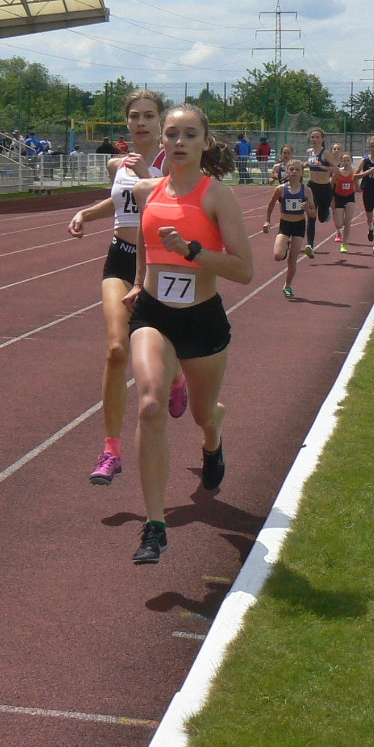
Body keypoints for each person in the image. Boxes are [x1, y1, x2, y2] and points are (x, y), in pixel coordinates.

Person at [127, 103, 254, 564]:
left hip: (203, 320)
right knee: (149, 403)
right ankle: (155, 525)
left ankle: (213, 435)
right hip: (154, 314)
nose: (179, 142)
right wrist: (141, 281)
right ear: (161, 141)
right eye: (172, 134)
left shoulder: (217, 195)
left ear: (205, 142)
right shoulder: (147, 191)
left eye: (190, 134)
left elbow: (245, 270)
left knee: (201, 412)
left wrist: (196, 250)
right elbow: (142, 241)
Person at [67, 90, 187, 487]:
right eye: (134, 116)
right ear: (126, 122)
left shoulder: (173, 163)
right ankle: (111, 451)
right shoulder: (117, 163)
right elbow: (119, 204)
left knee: (161, 349)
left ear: (160, 122)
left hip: (158, 264)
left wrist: (147, 179)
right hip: (119, 258)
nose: (140, 123)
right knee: (117, 349)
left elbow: (179, 203)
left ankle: (176, 380)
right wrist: (86, 212)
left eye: (149, 116)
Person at [262, 157, 316, 299]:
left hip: (299, 225)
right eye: (291, 169)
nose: (294, 172)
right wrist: (267, 221)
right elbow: (271, 204)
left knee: (292, 260)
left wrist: (307, 209)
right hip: (285, 225)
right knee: (278, 256)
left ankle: (287, 285)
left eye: (297, 170)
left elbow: (313, 213)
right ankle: (286, 247)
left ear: (302, 173)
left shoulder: (306, 191)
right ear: (287, 171)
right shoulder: (281, 189)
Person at [302, 128, 334, 257]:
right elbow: (307, 164)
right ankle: (310, 245)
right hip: (311, 187)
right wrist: (303, 165)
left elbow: (336, 169)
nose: (314, 139)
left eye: (317, 137)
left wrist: (323, 167)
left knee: (321, 217)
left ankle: (327, 213)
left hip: (325, 188)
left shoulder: (325, 153)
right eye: (313, 137)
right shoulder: (309, 152)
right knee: (311, 216)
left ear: (322, 139)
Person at [330, 149, 357, 253]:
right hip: (338, 197)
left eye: (348, 160)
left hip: (350, 197)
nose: (346, 163)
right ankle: (339, 232)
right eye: (344, 160)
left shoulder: (354, 172)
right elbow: (331, 186)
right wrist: (331, 199)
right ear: (341, 162)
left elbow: (357, 186)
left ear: (351, 161)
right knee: (339, 223)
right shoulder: (337, 173)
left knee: (348, 222)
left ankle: (344, 244)